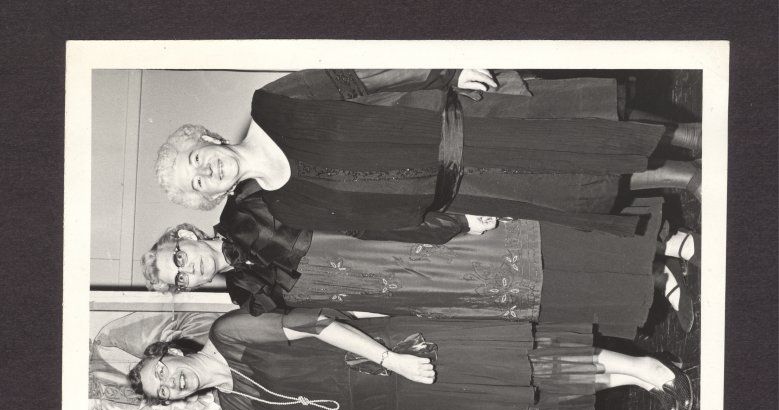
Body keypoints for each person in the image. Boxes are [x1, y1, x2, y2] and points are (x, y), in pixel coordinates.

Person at [155, 70, 701, 240]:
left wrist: (445, 69)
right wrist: (458, 222)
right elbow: (379, 227)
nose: (206, 170)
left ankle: (695, 137)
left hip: (463, 124)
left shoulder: (275, 103)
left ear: (208, 139)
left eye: (196, 157)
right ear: (212, 196)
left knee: (586, 129)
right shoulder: (286, 208)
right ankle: (689, 179)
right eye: (197, 181)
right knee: (581, 183)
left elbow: (365, 75)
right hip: (465, 190)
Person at [126, 301, 694, 410]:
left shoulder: (229, 334)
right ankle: (631, 381)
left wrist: (390, 359)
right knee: (515, 404)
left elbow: (317, 322)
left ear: (171, 352)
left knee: (516, 363)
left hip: (390, 356)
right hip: (393, 409)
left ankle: (640, 366)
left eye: (162, 371)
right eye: (163, 391)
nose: (171, 382)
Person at [141, 202, 697, 334]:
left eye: (178, 260)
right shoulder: (245, 295)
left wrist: (442, 219)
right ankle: (652, 285)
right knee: (520, 289)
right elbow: (319, 314)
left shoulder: (246, 204)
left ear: (186, 235)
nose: (189, 271)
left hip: (391, 237)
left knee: (526, 243)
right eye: (179, 280)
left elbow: (343, 203)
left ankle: (661, 242)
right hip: (397, 288)